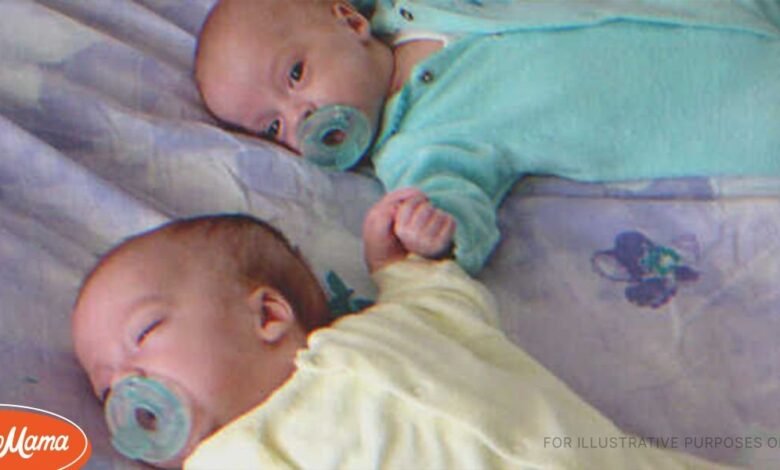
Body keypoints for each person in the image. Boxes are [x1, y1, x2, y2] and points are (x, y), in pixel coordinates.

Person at [72, 188, 731, 469]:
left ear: (267, 315)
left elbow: (445, 302)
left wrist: (398, 263)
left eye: (144, 333)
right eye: (105, 389)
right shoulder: (228, 459)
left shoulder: (391, 325)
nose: (125, 383)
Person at [194, 0, 780, 274]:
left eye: (296, 75)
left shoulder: (416, 8)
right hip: (725, 103)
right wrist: (430, 236)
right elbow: (453, 202)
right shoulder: (416, 145)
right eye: (273, 127)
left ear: (348, 20)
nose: (301, 117)